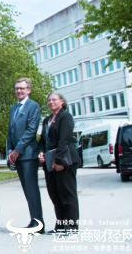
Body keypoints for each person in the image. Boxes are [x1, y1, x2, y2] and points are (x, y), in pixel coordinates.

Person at [38, 91, 80, 234]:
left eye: (54, 99)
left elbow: (64, 140)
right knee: (55, 195)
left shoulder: (65, 116)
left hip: (64, 161)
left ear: (61, 101)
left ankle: (71, 227)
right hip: (50, 162)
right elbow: (42, 140)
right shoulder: (47, 120)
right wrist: (41, 152)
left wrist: (59, 161)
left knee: (67, 194)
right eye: (49, 100)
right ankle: (61, 225)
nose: (51, 102)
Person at [7, 78, 45, 233]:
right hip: (17, 156)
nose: (19, 91)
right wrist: (10, 151)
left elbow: (31, 131)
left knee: (31, 189)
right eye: (17, 88)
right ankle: (33, 220)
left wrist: (17, 150)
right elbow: (10, 132)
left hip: (28, 155)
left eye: (22, 88)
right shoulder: (13, 109)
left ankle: (38, 224)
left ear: (28, 90)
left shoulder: (33, 106)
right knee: (26, 190)